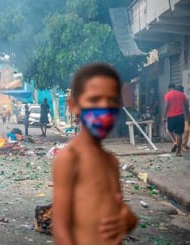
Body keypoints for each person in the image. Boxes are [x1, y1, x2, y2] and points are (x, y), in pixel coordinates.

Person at [53, 64, 137, 244]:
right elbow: (61, 229)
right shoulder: (69, 158)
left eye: (112, 101)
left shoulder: (111, 161)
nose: (105, 108)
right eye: (95, 100)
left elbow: (124, 215)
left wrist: (126, 219)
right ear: (74, 105)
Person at [163, 84, 187, 156]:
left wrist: (164, 116)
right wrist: (188, 116)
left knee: (169, 130)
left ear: (169, 88)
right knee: (179, 134)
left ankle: (175, 142)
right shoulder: (182, 95)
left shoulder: (168, 94)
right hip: (180, 116)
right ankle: (179, 152)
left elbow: (167, 105)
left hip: (171, 116)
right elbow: (186, 106)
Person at [177, 85, 190, 151]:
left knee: (185, 131)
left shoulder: (185, 98)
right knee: (186, 131)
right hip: (183, 116)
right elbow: (185, 108)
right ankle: (182, 145)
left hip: (184, 116)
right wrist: (186, 117)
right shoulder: (183, 98)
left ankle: (184, 145)